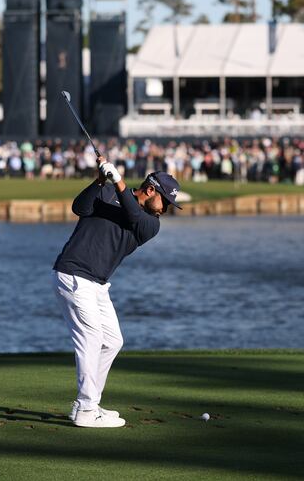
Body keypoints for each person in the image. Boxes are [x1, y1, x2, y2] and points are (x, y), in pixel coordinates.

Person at [51, 157, 182, 428]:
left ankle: (87, 403)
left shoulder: (150, 224)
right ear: (150, 190)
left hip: (96, 284)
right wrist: (100, 181)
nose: (166, 209)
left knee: (112, 341)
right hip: (74, 274)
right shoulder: (108, 191)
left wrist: (118, 181)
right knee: (91, 337)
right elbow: (79, 207)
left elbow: (131, 213)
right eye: (165, 202)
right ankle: (87, 409)